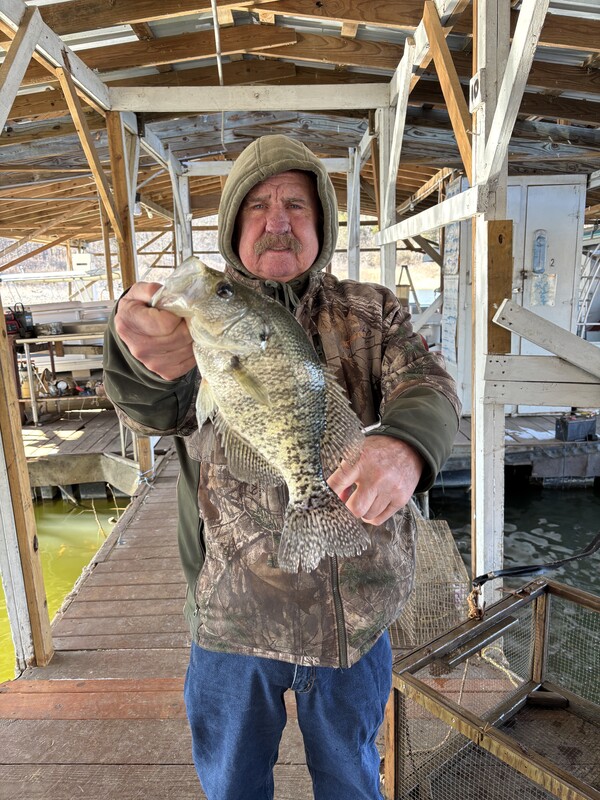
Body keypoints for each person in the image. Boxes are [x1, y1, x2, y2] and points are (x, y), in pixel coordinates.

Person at [103, 134, 460, 800]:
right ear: (235, 224)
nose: (278, 221)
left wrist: (407, 444)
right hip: (231, 618)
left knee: (352, 781)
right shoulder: (198, 318)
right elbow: (153, 403)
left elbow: (429, 387)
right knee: (233, 785)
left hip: (353, 622)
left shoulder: (372, 311)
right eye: (259, 206)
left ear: (320, 226)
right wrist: (139, 355)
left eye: (297, 205)